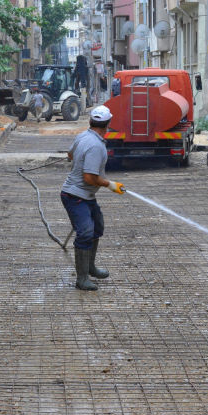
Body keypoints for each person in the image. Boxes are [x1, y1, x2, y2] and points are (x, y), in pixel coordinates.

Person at [60, 105, 126, 291]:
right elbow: (88, 177)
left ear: (91, 122)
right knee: (86, 232)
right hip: (75, 195)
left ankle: (90, 267)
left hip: (85, 195)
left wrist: (78, 158)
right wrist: (110, 184)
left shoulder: (83, 136)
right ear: (107, 124)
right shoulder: (96, 145)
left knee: (97, 226)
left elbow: (70, 154)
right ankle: (82, 279)